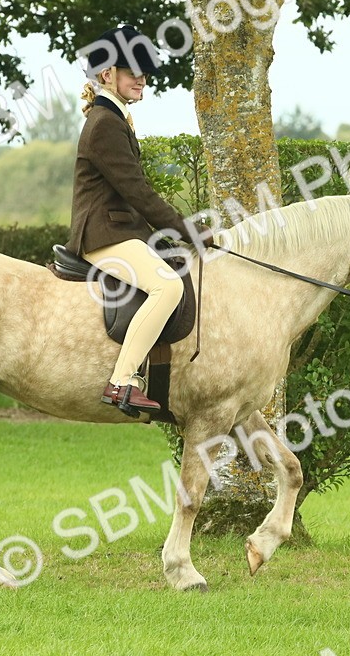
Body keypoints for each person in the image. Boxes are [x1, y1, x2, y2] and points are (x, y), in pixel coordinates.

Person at [66, 25, 213, 417]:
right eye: (132, 70)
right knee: (167, 288)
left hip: (120, 230)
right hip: (103, 234)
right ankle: (122, 381)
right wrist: (189, 232)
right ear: (106, 74)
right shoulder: (105, 124)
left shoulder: (116, 117)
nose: (141, 78)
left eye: (143, 71)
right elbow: (139, 193)